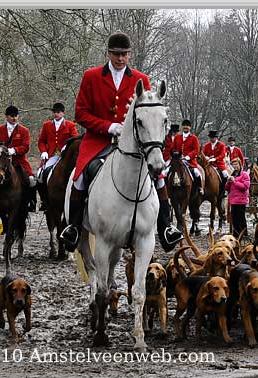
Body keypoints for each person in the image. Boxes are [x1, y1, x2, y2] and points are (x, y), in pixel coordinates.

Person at [59, 31, 182, 253]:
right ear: (108, 53)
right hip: (98, 140)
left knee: (158, 174)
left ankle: (166, 227)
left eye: (124, 54)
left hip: (134, 144)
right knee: (80, 176)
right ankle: (73, 228)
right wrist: (107, 126)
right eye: (116, 54)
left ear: (129, 54)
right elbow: (80, 113)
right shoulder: (91, 76)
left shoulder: (141, 79)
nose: (120, 58)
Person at [0, 105, 37, 212]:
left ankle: (31, 202)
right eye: (12, 116)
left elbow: (26, 147)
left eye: (16, 116)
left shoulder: (24, 130)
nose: (14, 118)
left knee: (31, 180)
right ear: (6, 117)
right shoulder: (0, 129)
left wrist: (14, 150)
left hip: (18, 161)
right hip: (1, 162)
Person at [36, 102, 79, 211]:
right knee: (40, 175)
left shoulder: (70, 125)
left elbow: (76, 140)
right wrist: (43, 151)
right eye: (54, 112)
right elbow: (41, 141)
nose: (56, 114)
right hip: (52, 156)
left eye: (58, 112)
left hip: (66, 157)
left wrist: (67, 147)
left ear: (63, 113)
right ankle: (44, 200)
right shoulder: (47, 125)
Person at [225, 157, 250, 238]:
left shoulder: (245, 174)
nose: (235, 166)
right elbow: (227, 188)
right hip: (233, 200)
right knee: (234, 219)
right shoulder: (233, 174)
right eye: (233, 164)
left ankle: (244, 234)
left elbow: (245, 187)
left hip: (241, 200)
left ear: (240, 164)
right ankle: (236, 235)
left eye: (236, 164)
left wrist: (234, 181)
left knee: (241, 218)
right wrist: (228, 182)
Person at [202, 129, 229, 198]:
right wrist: (207, 157)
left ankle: (224, 190)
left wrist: (215, 158)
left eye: (213, 138)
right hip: (209, 164)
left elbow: (222, 154)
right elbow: (203, 154)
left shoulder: (221, 145)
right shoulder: (207, 145)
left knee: (225, 174)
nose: (212, 139)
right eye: (211, 138)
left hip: (219, 164)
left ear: (216, 138)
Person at [181, 119, 204, 195]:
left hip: (190, 161)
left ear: (190, 127)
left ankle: (200, 188)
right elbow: (174, 148)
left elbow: (196, 150)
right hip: (179, 160)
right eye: (184, 125)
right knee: (167, 171)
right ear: (182, 127)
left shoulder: (194, 138)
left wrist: (188, 157)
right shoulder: (178, 137)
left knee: (197, 173)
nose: (185, 127)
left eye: (187, 126)